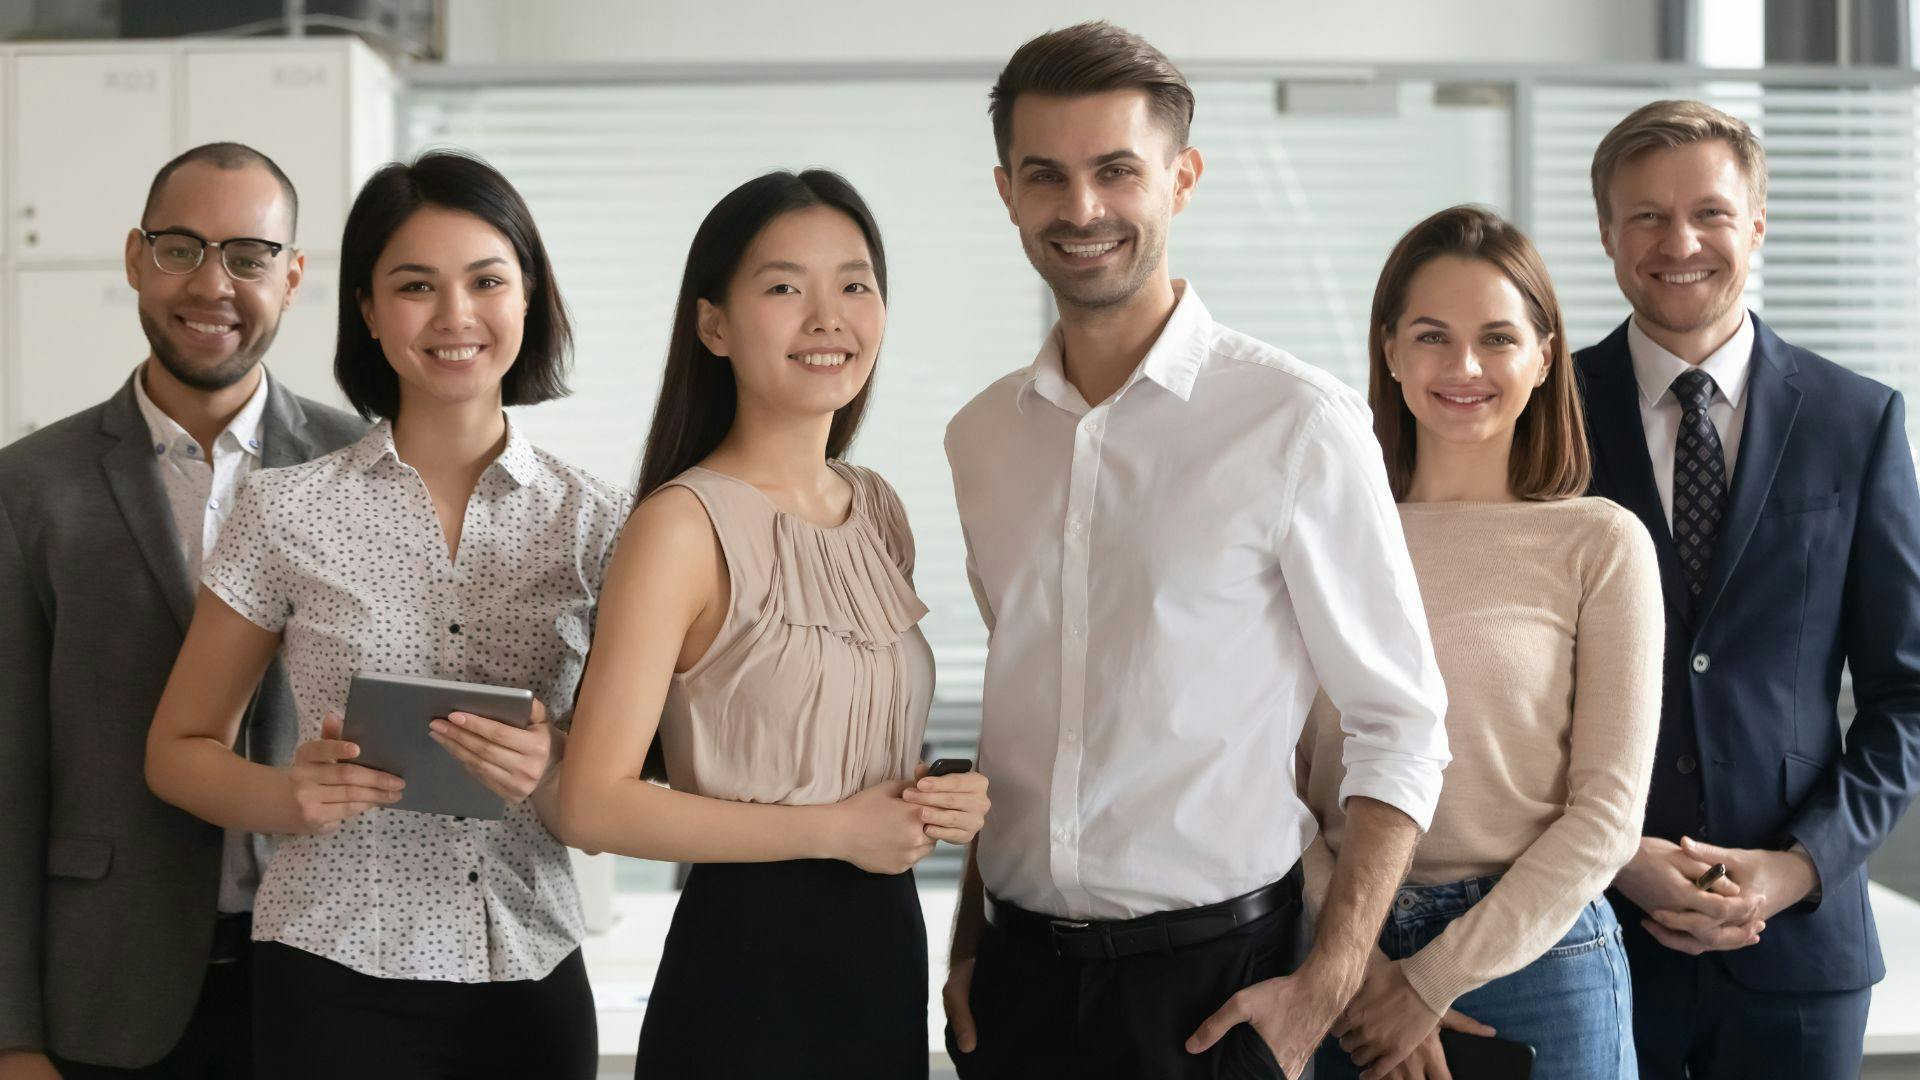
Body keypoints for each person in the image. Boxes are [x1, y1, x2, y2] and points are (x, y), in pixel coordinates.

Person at [939, 23, 1452, 1080]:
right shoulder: (981, 438)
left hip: (1219, 989)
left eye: (1116, 171)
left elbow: (1399, 720)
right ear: (1006, 192)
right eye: (1047, 177)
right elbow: (1025, 709)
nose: (1080, 210)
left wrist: (1331, 979)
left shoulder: (1296, 421)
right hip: (1019, 990)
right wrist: (970, 942)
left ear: (1183, 177)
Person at [144, 151, 623, 1079]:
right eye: (415, 286)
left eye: (487, 280)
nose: (455, 316)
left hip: (529, 969)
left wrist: (557, 756)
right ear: (367, 309)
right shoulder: (286, 510)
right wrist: (287, 795)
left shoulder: (601, 523)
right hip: (331, 973)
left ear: (529, 296)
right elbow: (178, 749)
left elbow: (645, 767)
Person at [554, 168, 990, 1079]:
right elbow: (594, 802)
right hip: (747, 974)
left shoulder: (878, 508)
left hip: (882, 952)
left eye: (855, 284)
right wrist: (837, 828)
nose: (829, 317)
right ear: (713, 324)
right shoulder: (680, 525)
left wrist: (940, 796)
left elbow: (834, 739)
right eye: (786, 287)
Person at [0, 143, 363, 1080]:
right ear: (134, 259)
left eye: (247, 256)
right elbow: (7, 777)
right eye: (180, 249)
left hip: (327, 980)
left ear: (291, 277)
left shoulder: (361, 463)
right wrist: (13, 1034)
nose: (212, 284)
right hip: (104, 996)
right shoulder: (30, 487)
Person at [1579, 99, 1920, 1079]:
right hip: (1586, 933)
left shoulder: (1856, 422)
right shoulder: (1541, 418)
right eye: (1644, 215)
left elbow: (1907, 696)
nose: (1678, 240)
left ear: (1757, 225)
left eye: (1711, 213)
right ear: (1606, 232)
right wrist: (1617, 853)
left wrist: (1798, 867)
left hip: (1801, 955)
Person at [1300, 205, 1662, 1080]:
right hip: (1337, 961)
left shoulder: (1600, 543)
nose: (1464, 367)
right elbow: (1268, 785)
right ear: (1389, 350)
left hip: (1539, 964)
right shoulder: (1317, 537)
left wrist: (1430, 982)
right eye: (1432, 335)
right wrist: (1356, 960)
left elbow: (1608, 817)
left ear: (1544, 357)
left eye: (1497, 338)